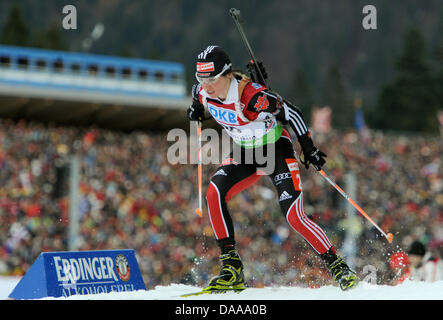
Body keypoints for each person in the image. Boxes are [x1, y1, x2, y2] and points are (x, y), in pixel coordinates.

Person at [187, 45, 358, 291]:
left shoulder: (251, 96)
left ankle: (339, 267)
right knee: (213, 193)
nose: (206, 85)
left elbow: (293, 113)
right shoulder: (203, 91)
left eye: (211, 79)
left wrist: (308, 147)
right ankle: (231, 269)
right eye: (201, 79)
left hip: (275, 151)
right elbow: (196, 95)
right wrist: (195, 110)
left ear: (227, 75)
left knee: (293, 215)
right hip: (245, 153)